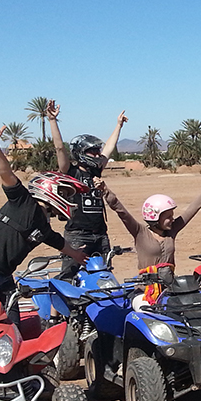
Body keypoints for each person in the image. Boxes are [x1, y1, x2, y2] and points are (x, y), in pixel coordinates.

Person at [0, 119, 90, 345]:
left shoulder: (43, 226)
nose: (70, 199)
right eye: (67, 193)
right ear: (50, 190)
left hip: (3, 281)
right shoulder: (22, 201)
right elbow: (5, 170)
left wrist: (77, 255)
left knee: (13, 335)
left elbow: (58, 242)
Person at [99, 168, 201, 303]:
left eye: (172, 216)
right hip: (145, 291)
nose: (172, 219)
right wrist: (105, 191)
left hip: (170, 289)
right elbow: (122, 212)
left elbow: (192, 209)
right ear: (155, 218)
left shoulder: (171, 232)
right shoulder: (140, 233)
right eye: (168, 217)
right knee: (144, 314)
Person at [48, 101, 128, 278]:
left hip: (100, 234)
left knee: (103, 277)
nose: (97, 154)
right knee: (68, 277)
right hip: (77, 235)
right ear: (81, 152)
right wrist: (53, 121)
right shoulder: (70, 172)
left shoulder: (95, 170)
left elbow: (109, 148)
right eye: (92, 151)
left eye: (97, 151)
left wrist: (118, 126)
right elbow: (59, 148)